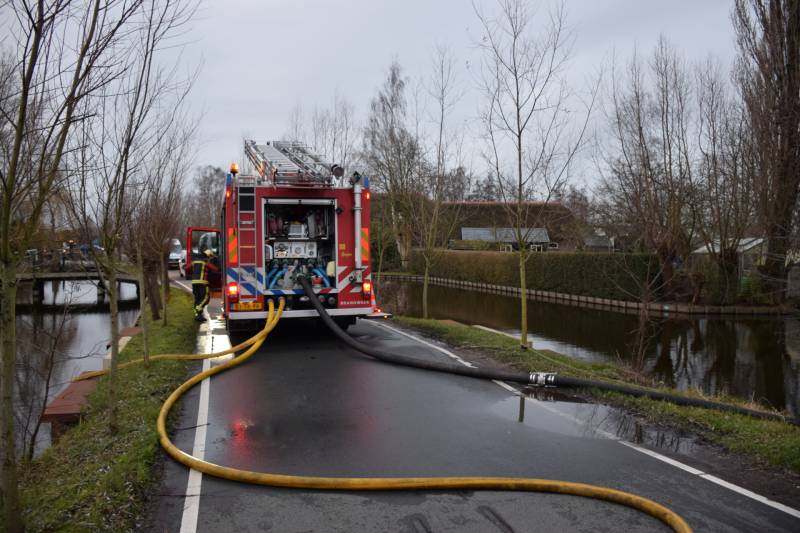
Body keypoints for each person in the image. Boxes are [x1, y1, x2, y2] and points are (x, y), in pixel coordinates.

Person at [192, 247, 219, 322]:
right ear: (208, 256)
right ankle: (198, 308)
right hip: (203, 283)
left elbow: (187, 268)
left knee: (197, 299)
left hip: (194, 283)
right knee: (206, 298)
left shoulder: (195, 261)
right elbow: (216, 269)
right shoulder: (206, 262)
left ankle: (198, 315)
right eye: (210, 257)